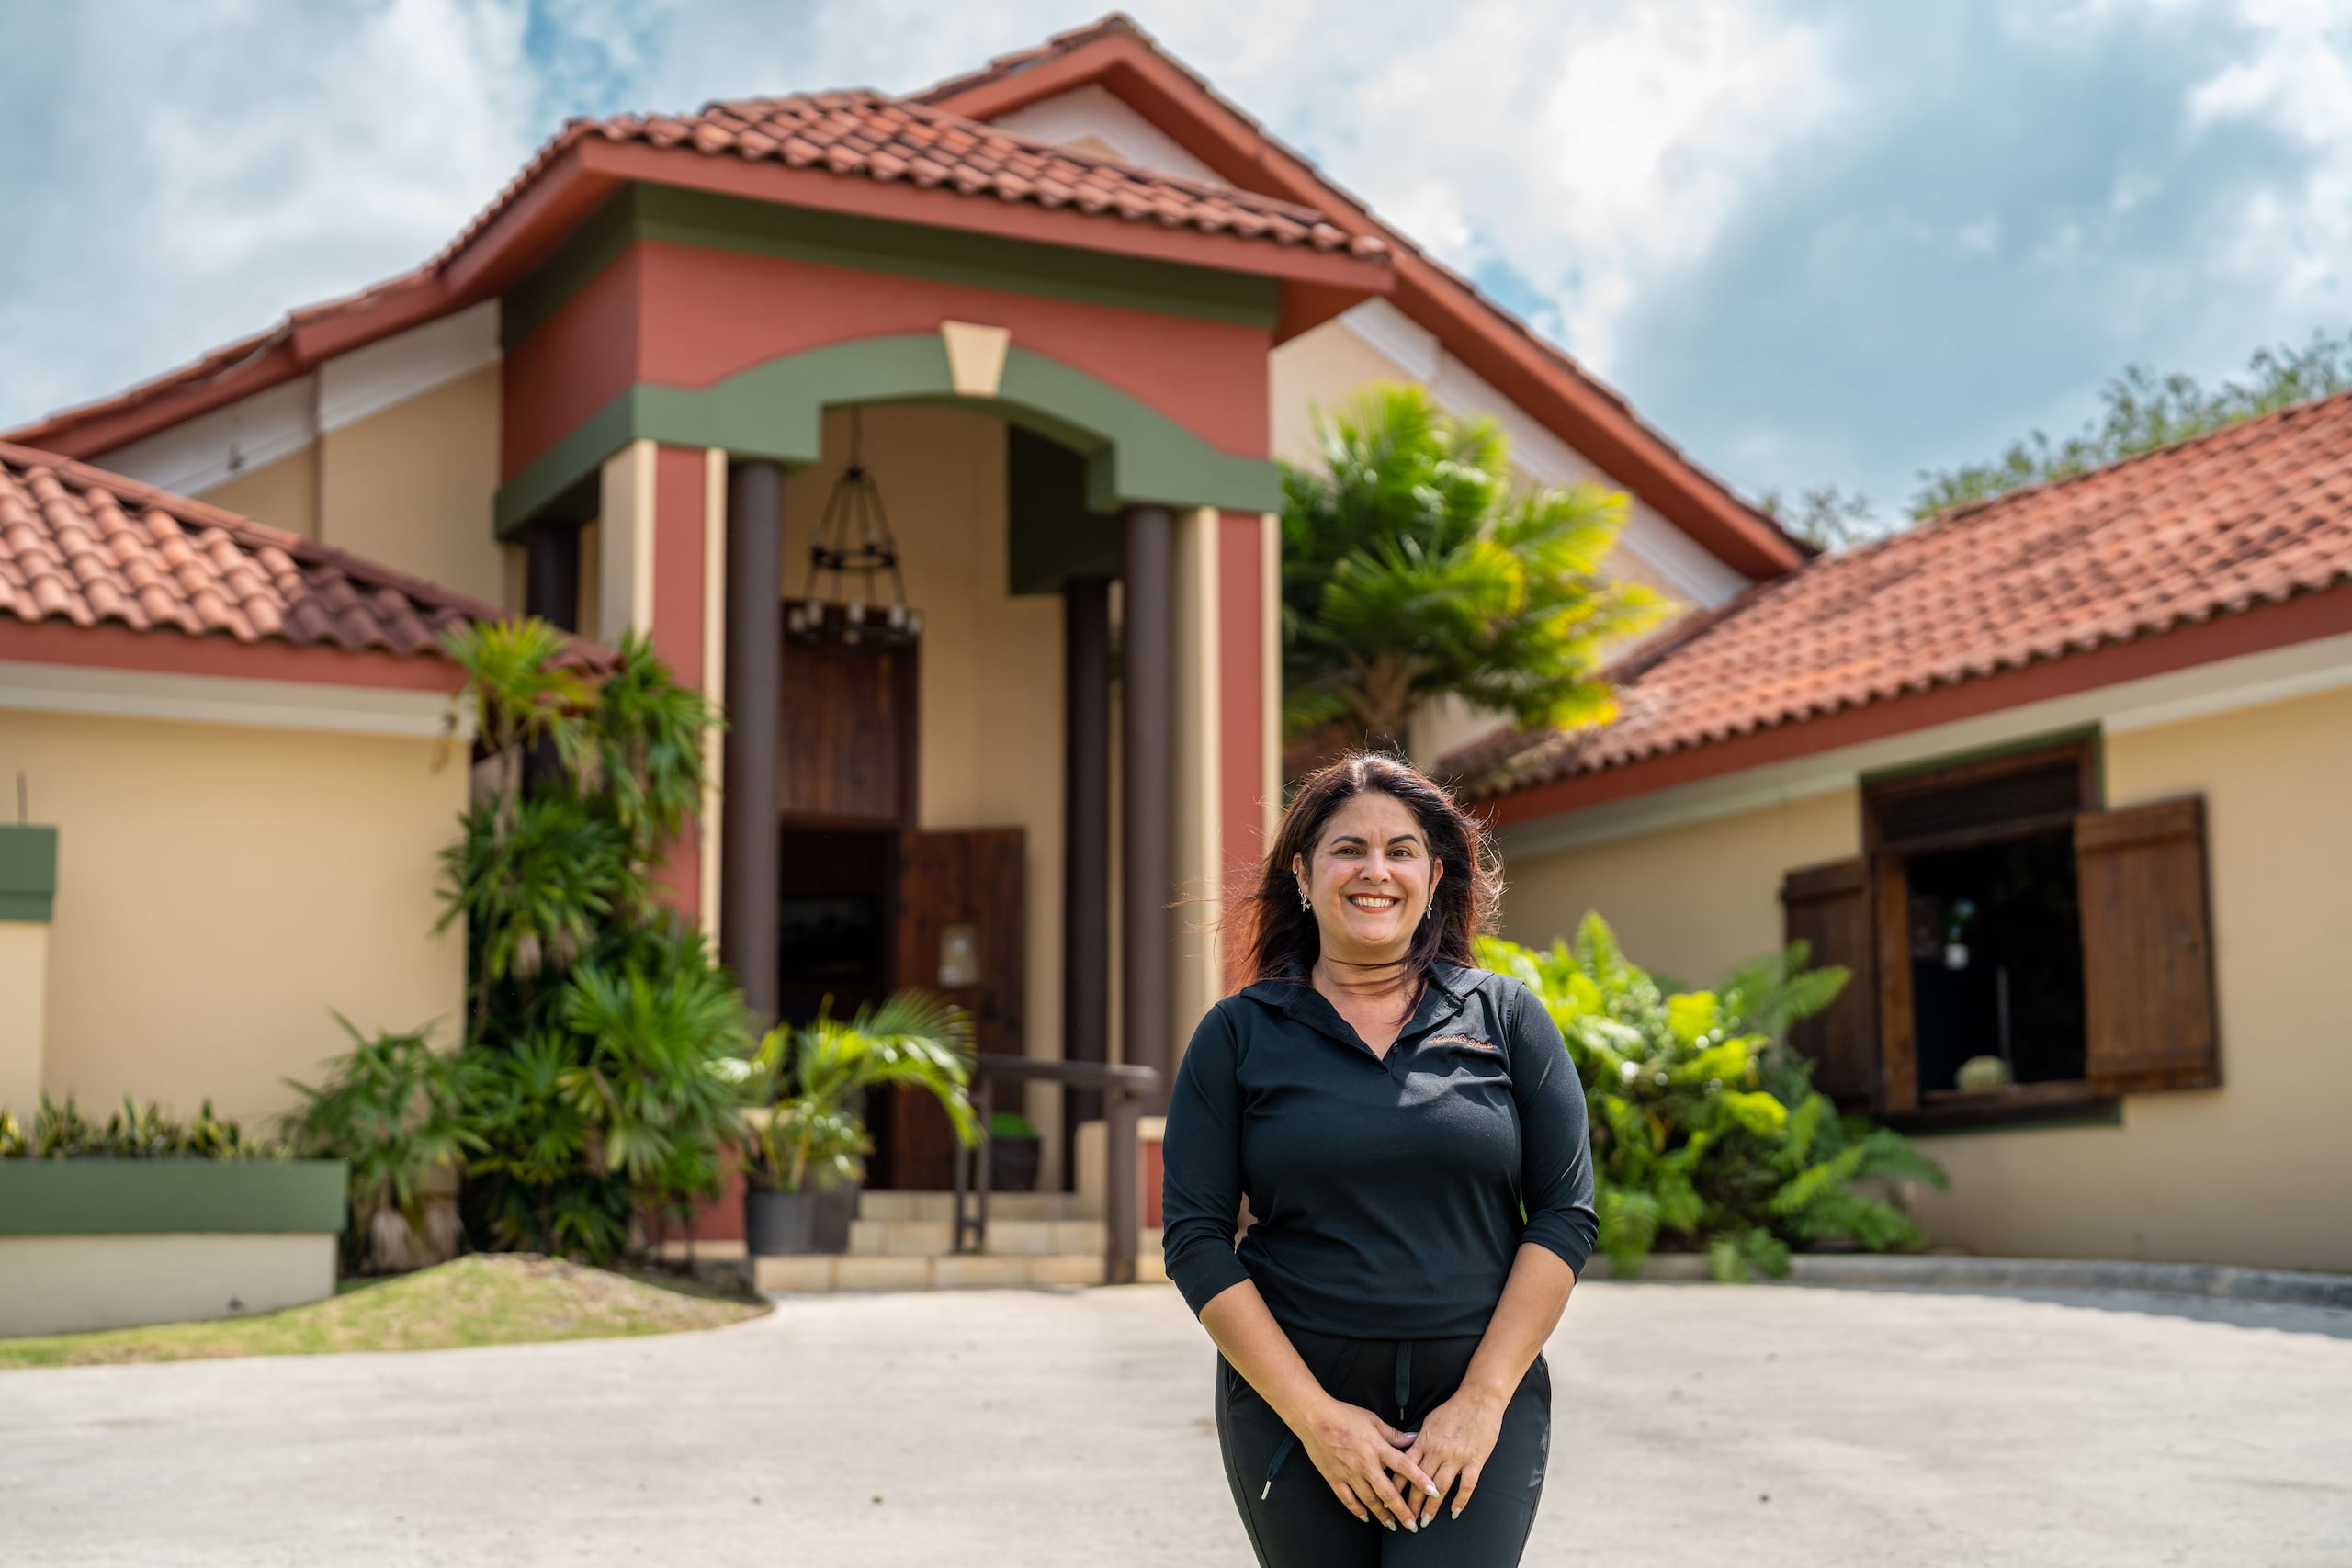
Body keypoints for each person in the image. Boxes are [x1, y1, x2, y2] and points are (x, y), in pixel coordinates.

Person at [1160, 751, 1597, 1567]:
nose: (1376, 870)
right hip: (1295, 1405)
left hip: (1474, 1402)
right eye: (1347, 848)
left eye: (1400, 850)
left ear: (1434, 876)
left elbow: (1566, 1214)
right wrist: (1317, 1417)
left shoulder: (1506, 1019)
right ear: (1302, 872)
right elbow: (1195, 1240)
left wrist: (1481, 1399)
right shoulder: (1238, 1034)